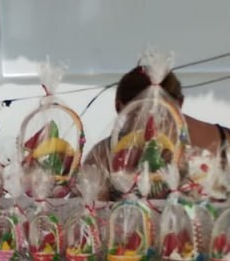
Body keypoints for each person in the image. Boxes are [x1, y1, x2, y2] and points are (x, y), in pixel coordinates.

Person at [84, 66, 230, 180]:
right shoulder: (224, 138)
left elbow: (82, 212)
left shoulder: (103, 155)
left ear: (119, 106)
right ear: (179, 103)